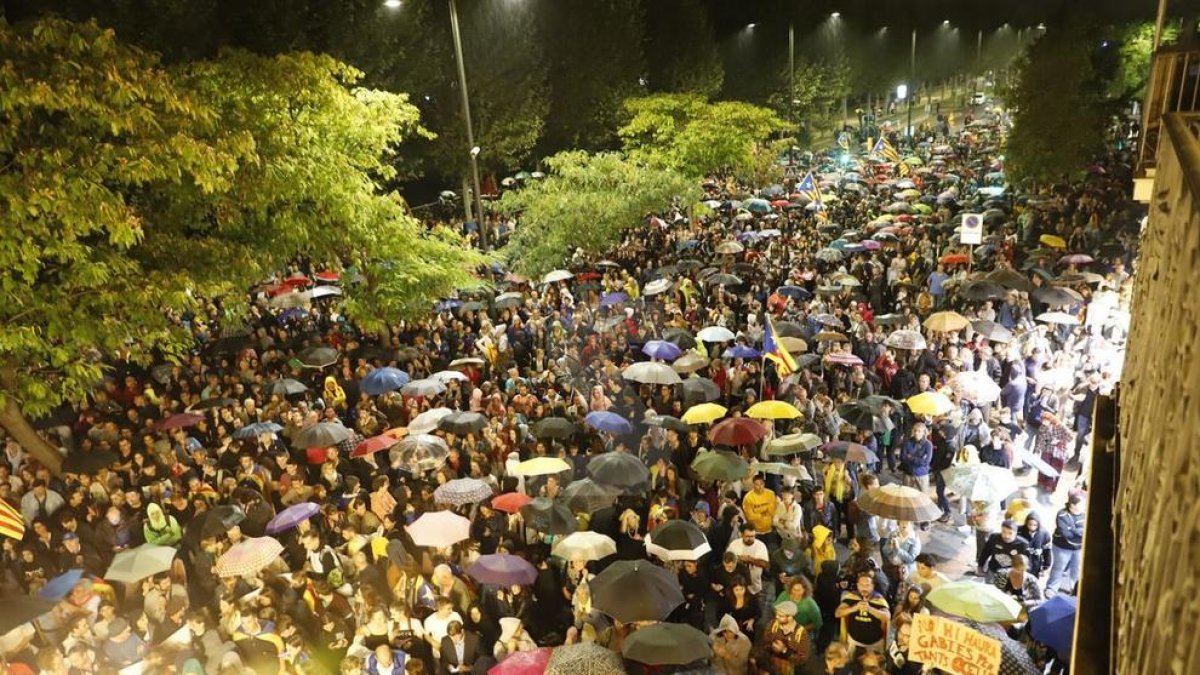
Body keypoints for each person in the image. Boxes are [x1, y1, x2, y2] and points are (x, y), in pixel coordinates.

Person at [834, 572, 890, 656]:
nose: (864, 588)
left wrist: (870, 609)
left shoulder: (879, 599)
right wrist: (854, 608)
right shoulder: (851, 597)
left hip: (874, 644)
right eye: (861, 585)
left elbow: (887, 617)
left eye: (867, 585)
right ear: (857, 585)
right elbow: (837, 613)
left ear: (872, 586)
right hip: (853, 642)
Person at [754, 600, 810, 675]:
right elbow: (764, 642)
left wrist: (784, 650)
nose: (777, 617)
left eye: (780, 616)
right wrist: (772, 647)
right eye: (777, 614)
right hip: (770, 664)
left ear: (790, 617)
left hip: (789, 668)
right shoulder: (773, 624)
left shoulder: (801, 633)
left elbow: (803, 658)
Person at [1047, 492, 1086, 594]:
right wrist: (1079, 531)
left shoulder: (1085, 515)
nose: (1084, 506)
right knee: (1058, 567)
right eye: (1081, 504)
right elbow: (1065, 533)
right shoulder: (1062, 514)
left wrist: (1073, 529)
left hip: (1079, 548)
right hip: (1062, 547)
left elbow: (1087, 531)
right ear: (1072, 505)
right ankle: (1051, 588)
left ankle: (1074, 589)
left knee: (1076, 569)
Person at [726, 524, 770, 596]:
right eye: (747, 536)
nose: (750, 539)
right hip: (736, 586)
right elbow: (726, 559)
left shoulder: (760, 545)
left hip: (754, 587)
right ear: (742, 535)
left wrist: (750, 560)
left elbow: (766, 564)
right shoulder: (734, 544)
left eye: (752, 536)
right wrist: (737, 559)